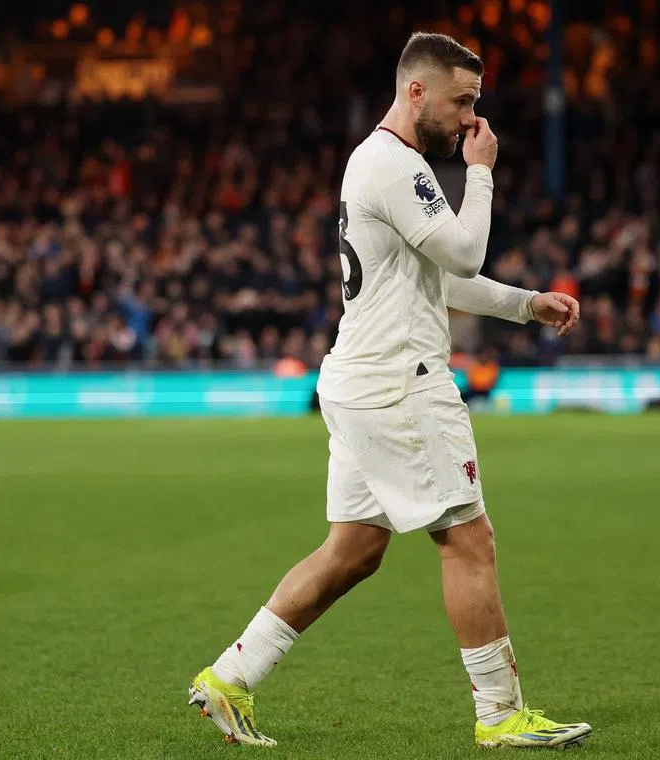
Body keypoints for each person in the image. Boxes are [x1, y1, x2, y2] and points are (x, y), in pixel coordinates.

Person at [187, 32, 590, 750]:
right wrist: (483, 174)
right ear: (416, 92)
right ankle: (501, 716)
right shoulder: (396, 165)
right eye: (462, 102)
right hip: (401, 384)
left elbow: (447, 274)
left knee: (354, 549)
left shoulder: (381, 164)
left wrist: (527, 303)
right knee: (469, 539)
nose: (472, 120)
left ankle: (229, 678)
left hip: (359, 378)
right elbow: (466, 248)